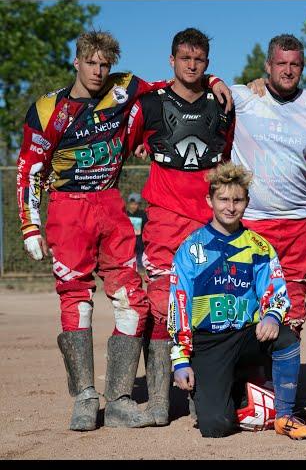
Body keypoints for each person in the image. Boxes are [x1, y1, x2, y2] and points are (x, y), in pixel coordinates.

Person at [16, 30, 231, 433]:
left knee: (134, 303)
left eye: (104, 64)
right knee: (77, 297)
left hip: (110, 205)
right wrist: (30, 223)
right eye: (90, 63)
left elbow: (178, 86)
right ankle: (84, 396)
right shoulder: (49, 109)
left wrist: (215, 80)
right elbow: (29, 169)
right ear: (76, 61)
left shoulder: (125, 89)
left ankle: (117, 401)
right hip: (67, 208)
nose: (97, 71)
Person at [126, 27, 235, 427]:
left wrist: (216, 83)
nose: (192, 65)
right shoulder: (149, 102)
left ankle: (198, 392)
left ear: (208, 63)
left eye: (200, 60)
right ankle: (158, 398)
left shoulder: (222, 103)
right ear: (171, 60)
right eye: (185, 58)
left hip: (208, 217)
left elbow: (227, 148)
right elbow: (130, 140)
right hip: (164, 217)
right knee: (160, 303)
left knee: (205, 303)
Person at [168, 161, 306, 440]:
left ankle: (285, 415)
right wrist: (180, 360)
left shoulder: (259, 246)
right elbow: (179, 306)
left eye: (237, 200)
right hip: (208, 343)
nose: (230, 207)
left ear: (247, 202)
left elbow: (276, 290)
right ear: (209, 200)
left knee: (286, 337)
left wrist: (272, 315)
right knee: (215, 427)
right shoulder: (191, 248)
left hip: (248, 335)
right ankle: (236, 391)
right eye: (223, 199)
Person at [231, 34, 306, 337]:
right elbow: (202, 88)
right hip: (251, 221)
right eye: (281, 64)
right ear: (268, 65)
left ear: (302, 67)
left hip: (297, 222)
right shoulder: (243, 97)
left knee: (293, 308)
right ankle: (251, 382)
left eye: (295, 64)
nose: (288, 70)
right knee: (247, 302)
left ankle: (285, 384)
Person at [126, 192, 147, 269]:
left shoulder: (143, 215)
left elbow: (146, 228)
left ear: (139, 205)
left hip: (140, 245)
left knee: (140, 264)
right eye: (132, 204)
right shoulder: (125, 215)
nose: (133, 206)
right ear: (128, 204)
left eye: (136, 204)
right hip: (128, 245)